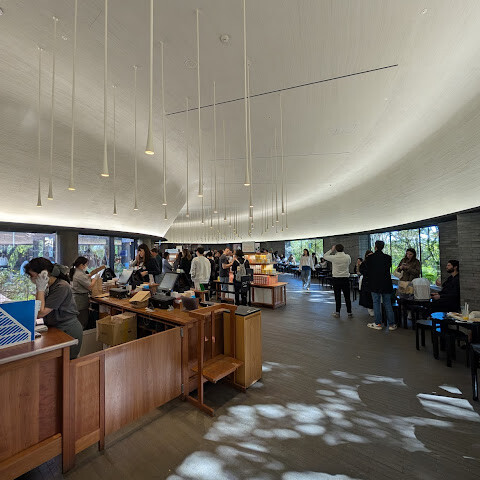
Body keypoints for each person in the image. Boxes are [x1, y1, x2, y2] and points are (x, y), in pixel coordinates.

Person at [24, 258, 83, 359]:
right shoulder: (48, 287)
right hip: (54, 328)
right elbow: (37, 307)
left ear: (44, 273)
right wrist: (40, 288)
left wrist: (40, 289)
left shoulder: (61, 287)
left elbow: (40, 312)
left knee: (67, 363)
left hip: (68, 330)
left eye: (32, 275)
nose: (31, 278)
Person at [365, 240, 396, 331]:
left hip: (374, 283)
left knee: (376, 303)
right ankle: (391, 324)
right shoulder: (388, 257)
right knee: (387, 303)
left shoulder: (370, 258)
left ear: (375, 247)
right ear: (383, 247)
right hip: (386, 283)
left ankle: (378, 323)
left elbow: (367, 270)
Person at [70, 256, 105, 329]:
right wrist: (95, 278)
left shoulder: (77, 271)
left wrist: (92, 274)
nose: (86, 266)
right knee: (82, 320)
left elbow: (85, 277)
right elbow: (90, 286)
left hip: (78, 298)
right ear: (81, 265)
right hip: (80, 300)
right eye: (86, 264)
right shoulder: (79, 274)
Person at [323, 244, 352, 318]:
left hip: (336, 279)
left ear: (336, 249)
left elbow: (325, 256)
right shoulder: (347, 257)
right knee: (347, 296)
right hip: (345, 278)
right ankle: (349, 312)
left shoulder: (334, 257)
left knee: (337, 296)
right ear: (343, 249)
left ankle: (337, 312)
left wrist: (331, 250)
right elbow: (349, 263)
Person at [396, 248, 421, 325]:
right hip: (403, 282)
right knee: (402, 298)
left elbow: (417, 272)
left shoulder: (416, 262)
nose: (408, 256)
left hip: (411, 283)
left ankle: (410, 313)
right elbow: (397, 270)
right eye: (407, 254)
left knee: (411, 299)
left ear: (413, 255)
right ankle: (403, 314)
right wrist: (400, 268)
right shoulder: (403, 260)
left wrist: (408, 268)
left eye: (410, 254)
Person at [358, 250, 374, 316]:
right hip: (367, 282)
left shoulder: (375, 262)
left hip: (373, 281)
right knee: (368, 296)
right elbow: (362, 271)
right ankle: (370, 309)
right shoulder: (364, 263)